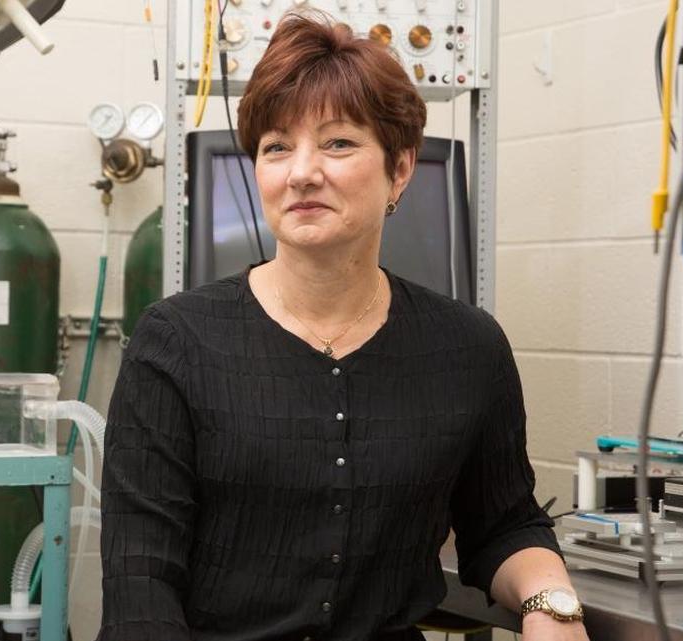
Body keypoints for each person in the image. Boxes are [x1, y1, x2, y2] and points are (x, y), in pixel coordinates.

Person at [98, 11, 589, 641]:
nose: (302, 171)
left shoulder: (466, 348)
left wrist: (553, 605)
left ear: (401, 169)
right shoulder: (176, 344)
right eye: (277, 147)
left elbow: (504, 523)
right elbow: (142, 587)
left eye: (337, 143)